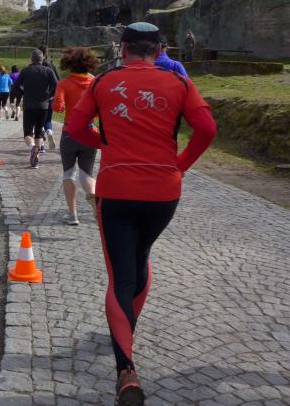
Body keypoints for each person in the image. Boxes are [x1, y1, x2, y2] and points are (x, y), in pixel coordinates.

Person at [66, 22, 216, 406]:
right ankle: (126, 333)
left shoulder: (104, 81)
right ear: (160, 49)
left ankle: (126, 371)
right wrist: (180, 166)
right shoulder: (179, 82)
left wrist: (106, 143)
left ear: (123, 48)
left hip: (117, 189)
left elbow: (75, 126)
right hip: (164, 192)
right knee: (141, 258)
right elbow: (206, 129)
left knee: (120, 274)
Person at [52, 48, 99, 225]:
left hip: (69, 132)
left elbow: (57, 107)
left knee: (68, 173)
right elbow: (98, 109)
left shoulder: (64, 83)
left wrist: (62, 105)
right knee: (87, 173)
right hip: (90, 133)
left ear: (69, 64)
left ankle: (73, 215)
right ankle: (93, 197)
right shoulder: (94, 82)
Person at [13, 49, 58, 168]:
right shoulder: (48, 71)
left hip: (29, 106)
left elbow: (15, 86)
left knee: (28, 133)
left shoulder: (25, 71)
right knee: (38, 133)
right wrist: (49, 95)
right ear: (42, 59)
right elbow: (57, 85)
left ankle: (33, 148)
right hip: (44, 106)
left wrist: (23, 92)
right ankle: (35, 160)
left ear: (31, 59)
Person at [41, 46, 61, 152]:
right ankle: (49, 132)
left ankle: (41, 146)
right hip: (50, 97)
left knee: (38, 122)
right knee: (48, 120)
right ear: (46, 54)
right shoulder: (52, 66)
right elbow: (58, 82)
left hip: (39, 99)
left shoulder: (36, 67)